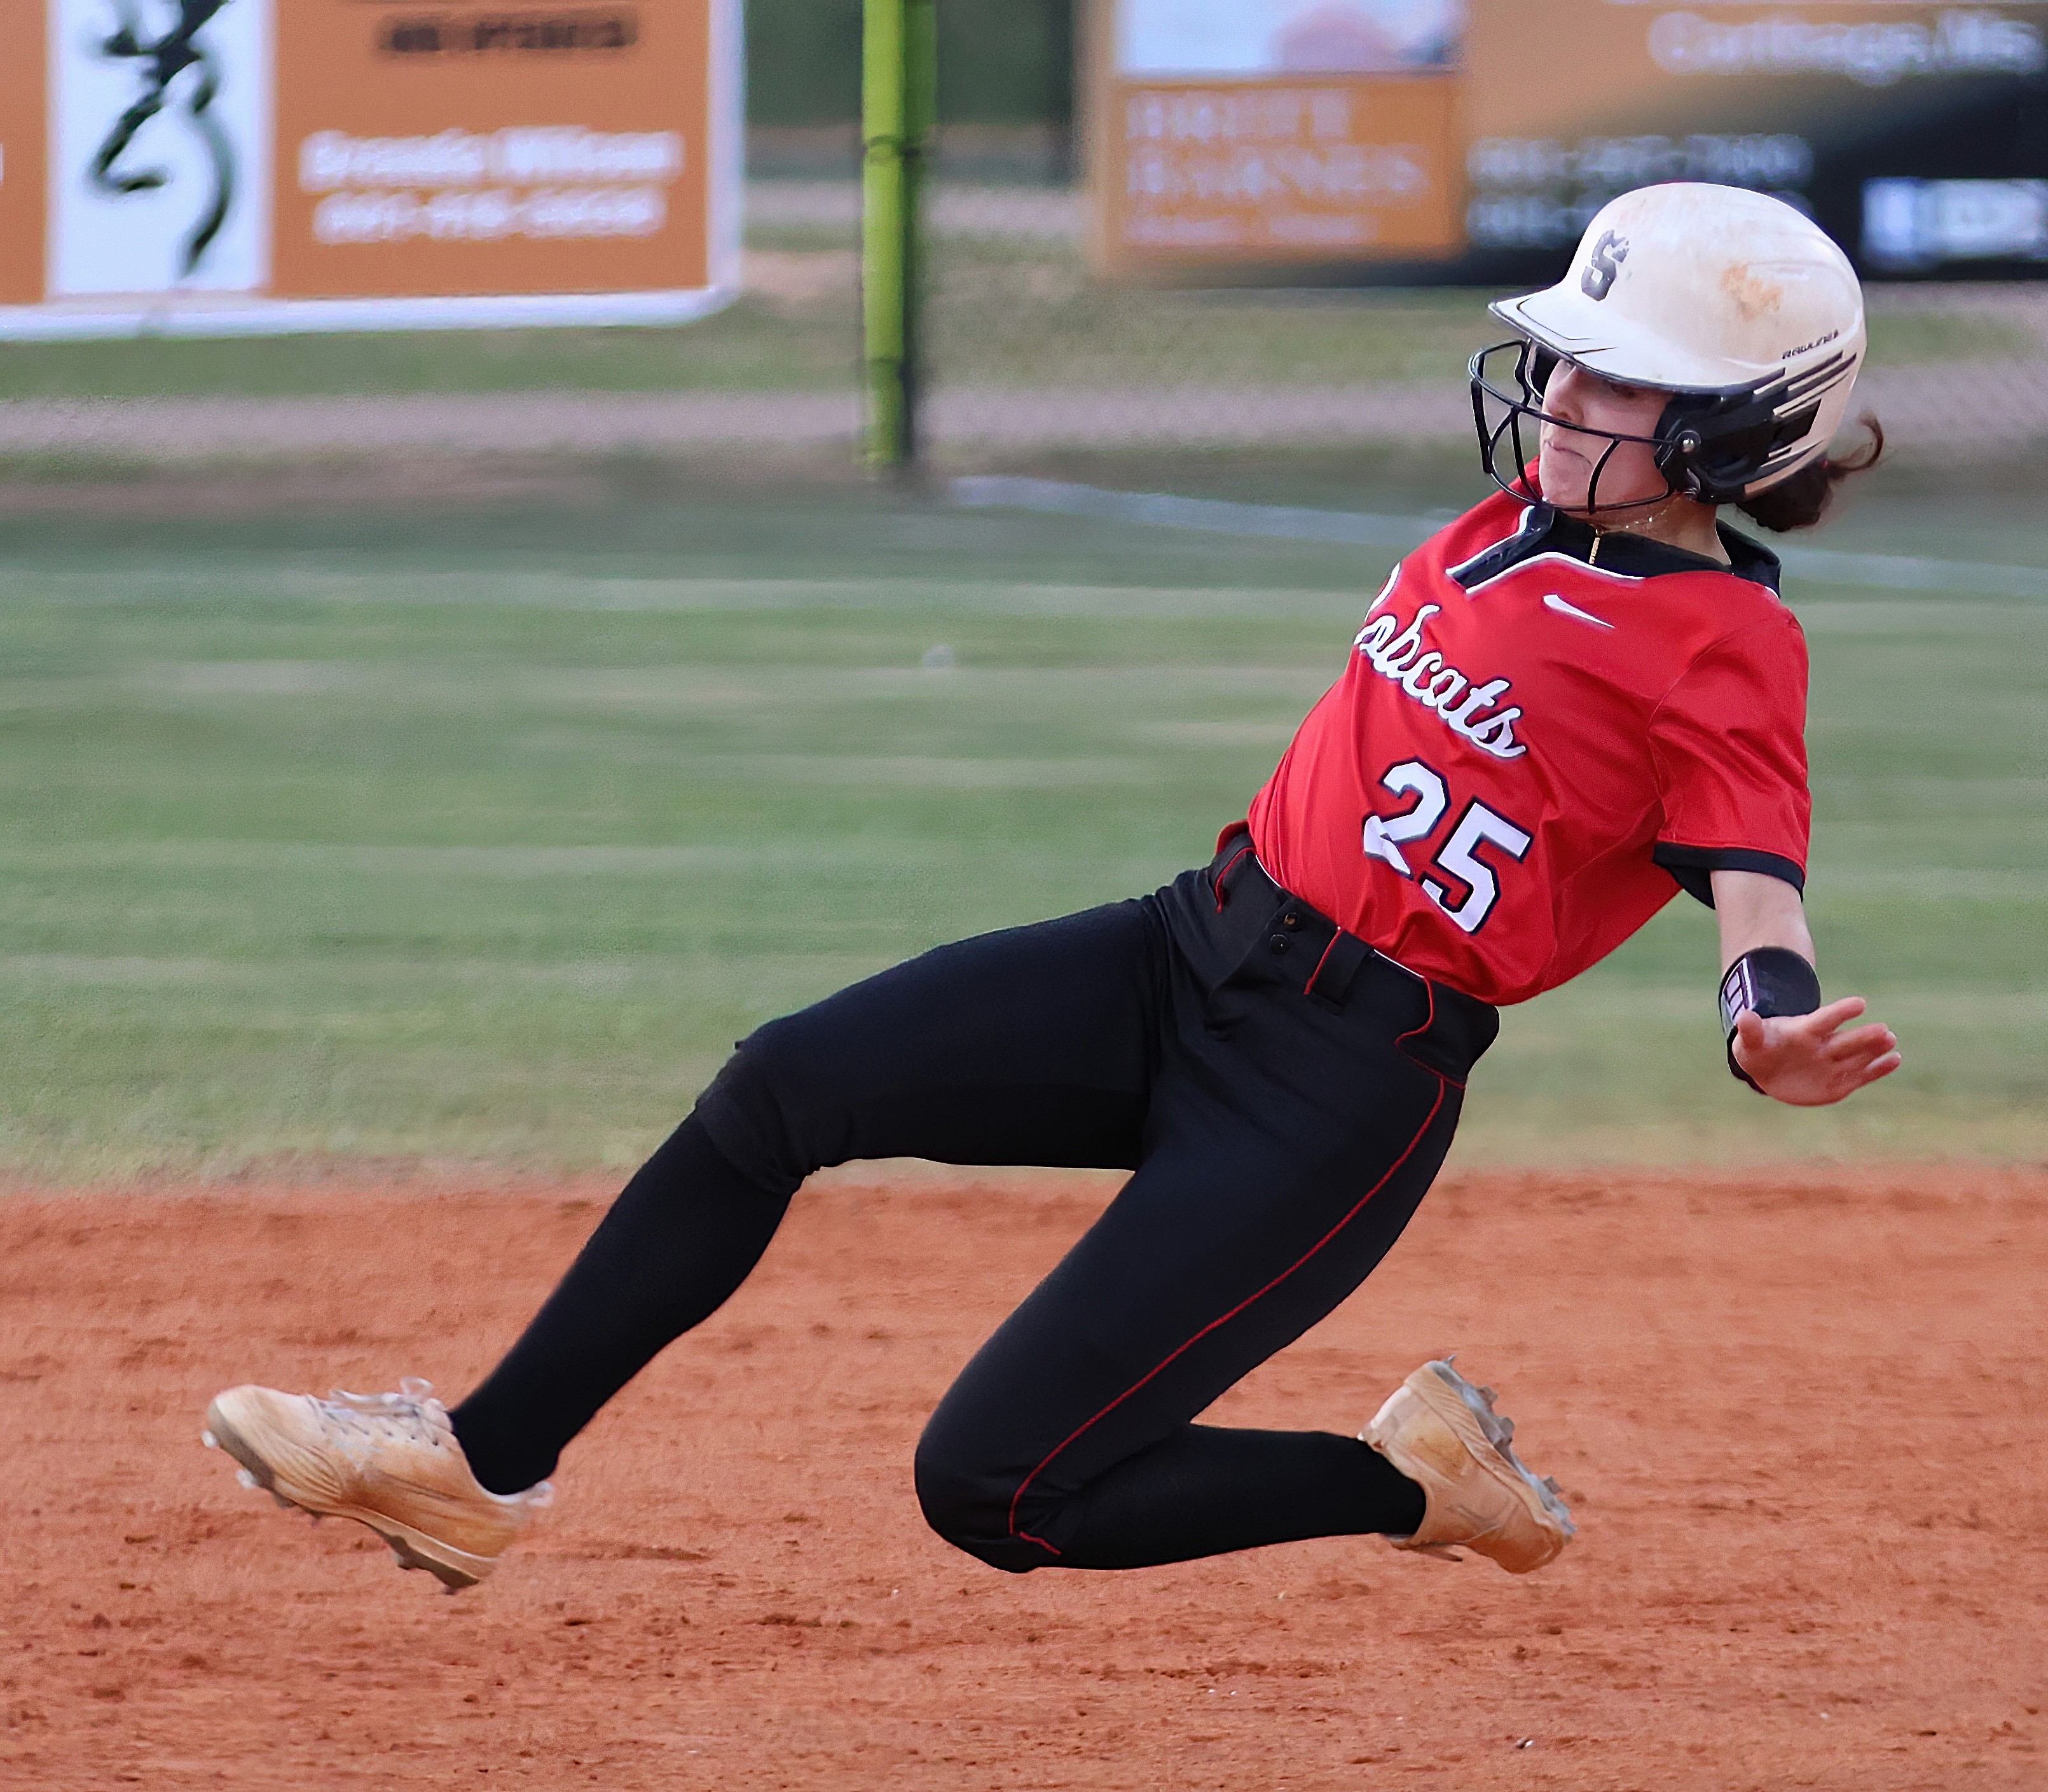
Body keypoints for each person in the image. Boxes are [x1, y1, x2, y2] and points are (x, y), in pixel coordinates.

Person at [203, 183, 1901, 1593]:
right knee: (782, 1086)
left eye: (1617, 385)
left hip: (1334, 1092)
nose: (1562, 400)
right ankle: (474, 1468)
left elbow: (1757, 884)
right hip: (1192, 949)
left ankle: (1409, 1481)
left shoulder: (1727, 649)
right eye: (1565, 363)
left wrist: (1771, 1024)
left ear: (1742, 430)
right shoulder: (1504, 524)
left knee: (995, 1486)